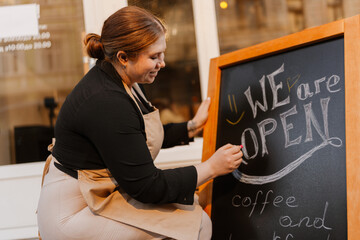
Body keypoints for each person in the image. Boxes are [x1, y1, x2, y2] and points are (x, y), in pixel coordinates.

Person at [37, 6, 244, 240]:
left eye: (162, 54)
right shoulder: (107, 100)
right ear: (124, 57)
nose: (162, 63)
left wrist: (191, 127)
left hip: (101, 193)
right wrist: (211, 168)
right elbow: (147, 186)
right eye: (154, 57)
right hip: (73, 211)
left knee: (192, 211)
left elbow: (133, 137)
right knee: (196, 226)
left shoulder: (123, 79)